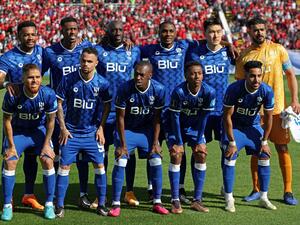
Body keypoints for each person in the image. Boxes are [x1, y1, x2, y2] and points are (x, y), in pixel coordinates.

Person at [235, 17, 300, 205]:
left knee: (282, 148)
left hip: (278, 110)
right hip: (255, 114)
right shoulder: (245, 56)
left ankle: (288, 191)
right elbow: (240, 83)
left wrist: (295, 99)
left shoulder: (278, 50)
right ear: (249, 32)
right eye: (255, 30)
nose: (259, 33)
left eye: (262, 29)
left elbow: (290, 75)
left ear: (266, 29)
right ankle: (256, 189)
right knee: (256, 151)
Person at [43, 16, 93, 209]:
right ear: (61, 30)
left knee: (82, 155)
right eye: (68, 29)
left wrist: (127, 41)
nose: (72, 33)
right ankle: (55, 194)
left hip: (81, 112)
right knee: (55, 154)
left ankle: (83, 193)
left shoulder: (86, 47)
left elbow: (104, 49)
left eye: (75, 29)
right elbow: (38, 74)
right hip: (57, 113)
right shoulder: (50, 52)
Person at [55, 47, 111, 217]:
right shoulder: (69, 79)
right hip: (71, 133)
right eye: (83, 60)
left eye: (89, 61)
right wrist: (63, 128)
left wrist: (101, 127)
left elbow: (107, 104)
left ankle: (101, 204)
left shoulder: (102, 83)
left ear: (96, 63)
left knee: (100, 167)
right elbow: (58, 103)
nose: (85, 64)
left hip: (91, 133)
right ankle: (59, 205)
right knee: (64, 167)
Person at [108, 61, 169, 217]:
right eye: (136, 74)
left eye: (142, 75)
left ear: (150, 75)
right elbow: (120, 118)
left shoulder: (159, 90)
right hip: (127, 130)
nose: (138, 77)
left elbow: (157, 119)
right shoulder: (125, 89)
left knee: (156, 159)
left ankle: (157, 201)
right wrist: (122, 144)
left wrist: (155, 143)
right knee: (121, 159)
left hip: (146, 131)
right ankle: (115, 204)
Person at [1, 64, 57, 221]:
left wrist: (46, 144)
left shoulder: (48, 94)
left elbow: (51, 121)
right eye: (31, 77)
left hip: (38, 131)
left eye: (38, 77)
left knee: (47, 159)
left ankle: (49, 204)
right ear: (23, 78)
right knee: (10, 161)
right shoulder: (13, 94)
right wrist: (11, 147)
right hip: (18, 132)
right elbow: (7, 121)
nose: (35, 80)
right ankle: (7, 206)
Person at [185, 17, 235, 191]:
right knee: (198, 149)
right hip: (201, 110)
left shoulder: (229, 52)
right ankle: (196, 187)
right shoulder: (195, 53)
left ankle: (225, 185)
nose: (215, 35)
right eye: (211, 32)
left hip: (223, 111)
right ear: (205, 34)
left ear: (222, 33)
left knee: (226, 148)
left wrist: (229, 45)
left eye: (218, 32)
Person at [95, 20, 140, 208]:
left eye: (121, 29)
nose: (118, 32)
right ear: (108, 31)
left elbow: (142, 72)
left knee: (126, 150)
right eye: (113, 29)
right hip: (103, 110)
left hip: (125, 110)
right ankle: (102, 193)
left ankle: (129, 191)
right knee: (101, 152)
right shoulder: (97, 50)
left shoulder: (134, 51)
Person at [0, 21, 44, 211]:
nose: (30, 38)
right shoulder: (9, 56)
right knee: (11, 158)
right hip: (15, 120)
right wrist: (6, 83)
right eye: (26, 35)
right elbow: (0, 78)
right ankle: (8, 202)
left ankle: (28, 194)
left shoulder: (42, 52)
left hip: (36, 118)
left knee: (32, 158)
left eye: (33, 34)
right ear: (18, 36)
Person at [222, 60, 276, 212]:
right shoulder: (234, 89)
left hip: (253, 126)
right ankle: (229, 198)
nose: (256, 80)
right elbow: (227, 117)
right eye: (252, 76)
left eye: (259, 76)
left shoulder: (266, 90)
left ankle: (264, 197)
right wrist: (232, 142)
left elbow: (269, 117)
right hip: (235, 127)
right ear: (245, 75)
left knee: (265, 154)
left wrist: (264, 141)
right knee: (229, 156)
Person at [166, 61, 215, 214]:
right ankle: (175, 200)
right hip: (176, 127)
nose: (197, 76)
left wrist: (200, 140)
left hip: (195, 127)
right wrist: (179, 143)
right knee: (176, 154)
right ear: (186, 75)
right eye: (193, 73)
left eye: (199, 73)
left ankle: (197, 200)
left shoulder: (209, 92)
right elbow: (174, 118)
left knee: (201, 153)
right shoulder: (179, 92)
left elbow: (204, 118)